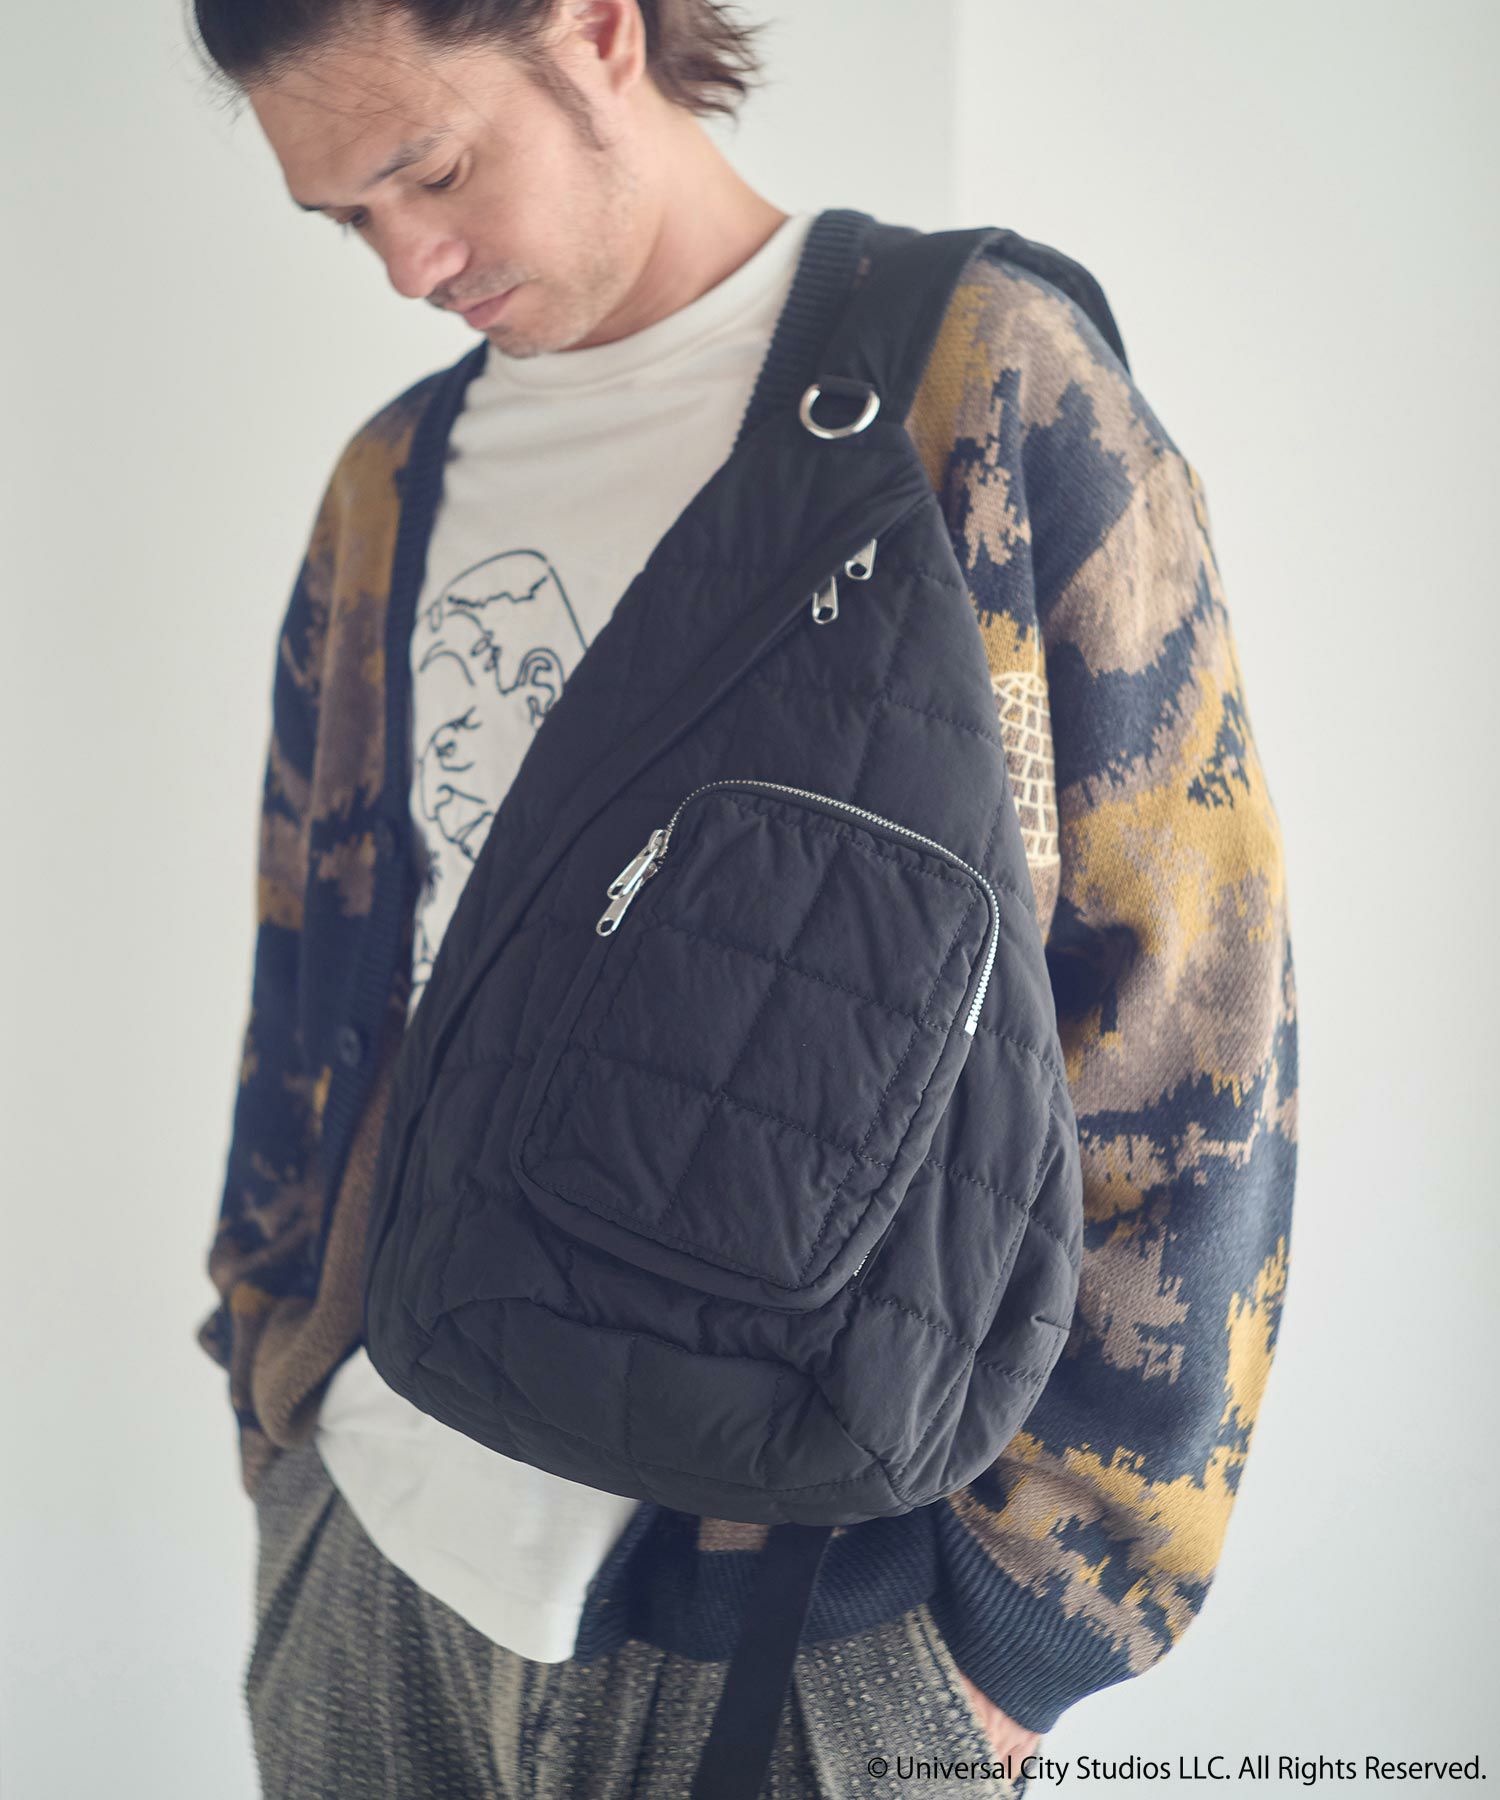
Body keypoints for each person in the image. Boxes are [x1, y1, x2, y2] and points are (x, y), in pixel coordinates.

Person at [188, 2, 1299, 1794]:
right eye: (348, 219)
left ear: (595, 30)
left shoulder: (977, 381)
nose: (408, 264)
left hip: (804, 1612)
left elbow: (1192, 1010)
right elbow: (313, 965)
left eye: (434, 171)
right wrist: (276, 1390)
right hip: (373, 1553)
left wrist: (1032, 1620)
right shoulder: (389, 482)